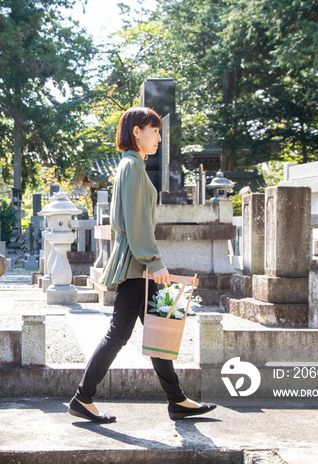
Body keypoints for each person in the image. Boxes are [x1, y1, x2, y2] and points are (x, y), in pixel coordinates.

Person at [68, 107, 217, 423]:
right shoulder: (133, 167)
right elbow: (136, 223)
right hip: (139, 264)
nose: (160, 137)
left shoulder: (131, 165)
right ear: (137, 131)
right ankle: (83, 397)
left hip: (139, 262)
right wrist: (154, 261)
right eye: (155, 130)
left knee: (160, 330)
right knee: (120, 333)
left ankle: (177, 400)